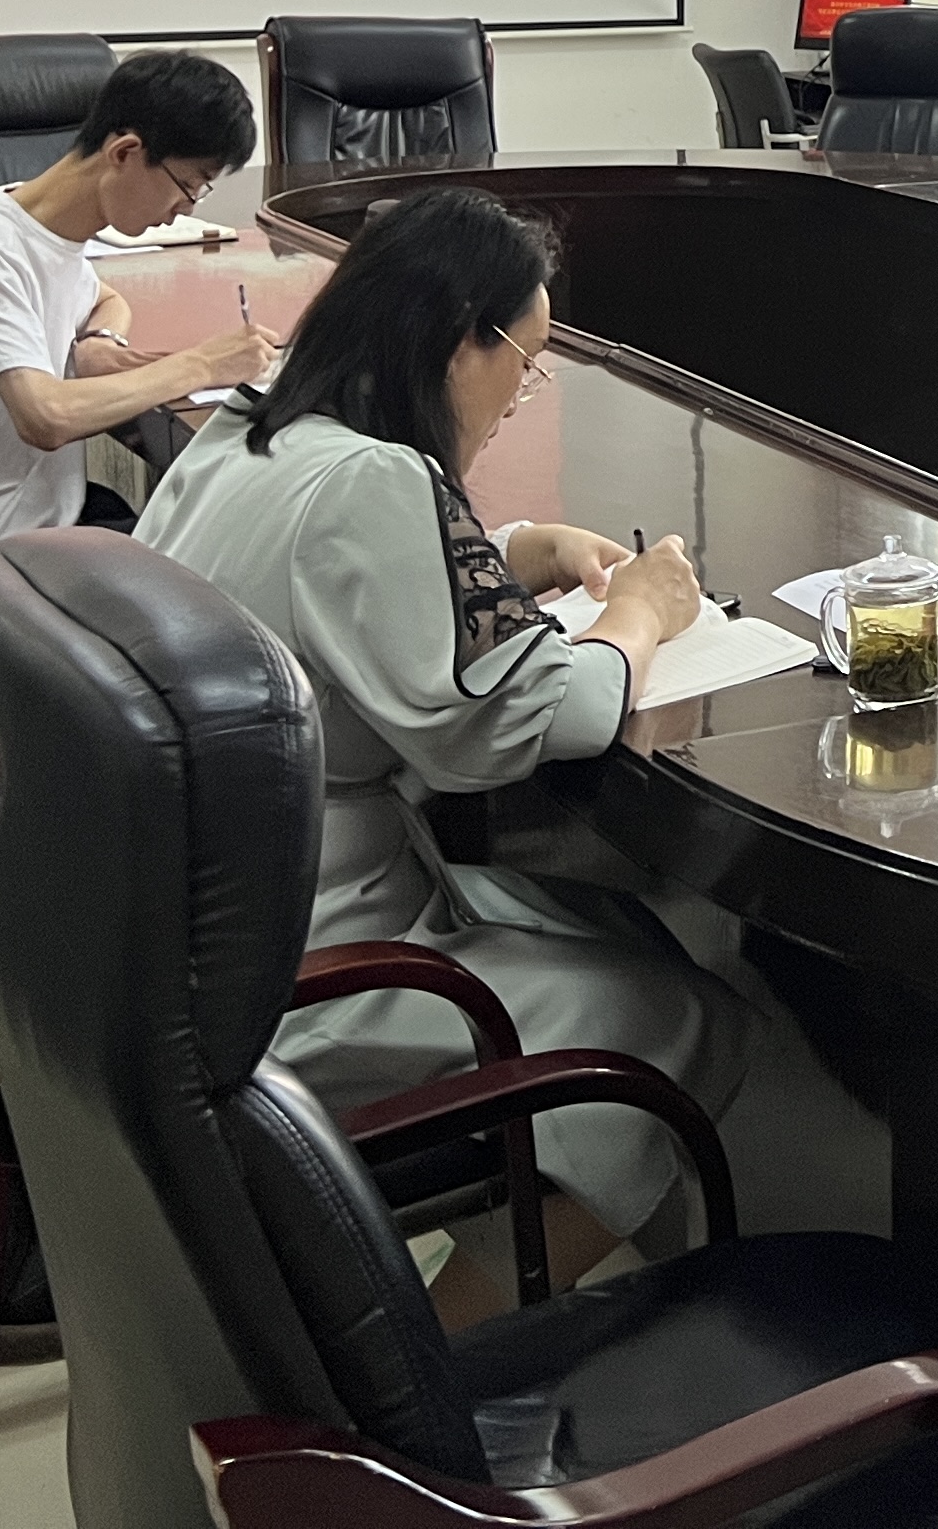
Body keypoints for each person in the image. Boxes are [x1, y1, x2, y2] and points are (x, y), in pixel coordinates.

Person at [135, 186, 744, 1289]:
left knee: (619, 932)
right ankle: (440, 1364)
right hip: (298, 962)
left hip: (191, 926)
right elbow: (538, 716)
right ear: (465, 338)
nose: (520, 394)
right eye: (528, 359)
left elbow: (332, 587)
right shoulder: (375, 479)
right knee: (679, 1018)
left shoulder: (250, 427)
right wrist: (639, 615)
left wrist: (515, 551)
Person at [0, 48, 274, 550]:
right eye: (187, 186)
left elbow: (104, 298)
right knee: (227, 548)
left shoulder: (44, 224)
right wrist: (202, 365)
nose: (184, 209)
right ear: (125, 152)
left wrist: (100, 340)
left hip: (35, 516)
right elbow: (47, 418)